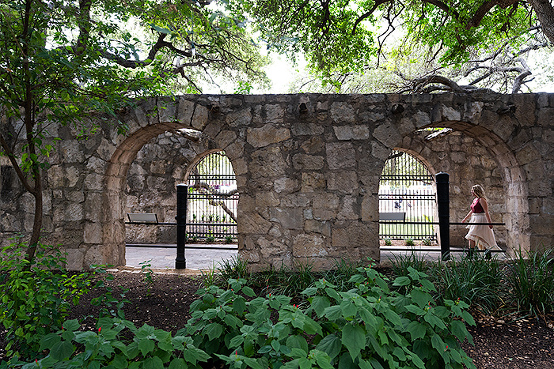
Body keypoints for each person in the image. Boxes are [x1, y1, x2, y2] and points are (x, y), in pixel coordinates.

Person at [461, 184, 498, 259]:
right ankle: (472, 255)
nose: (471, 192)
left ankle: (483, 254)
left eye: (472, 191)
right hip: (474, 219)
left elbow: (486, 212)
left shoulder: (482, 200)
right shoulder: (475, 200)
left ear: (476, 191)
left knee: (477, 236)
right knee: (472, 236)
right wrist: (465, 218)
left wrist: (489, 223)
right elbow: (472, 211)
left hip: (481, 219)